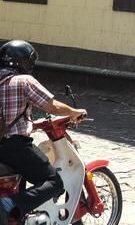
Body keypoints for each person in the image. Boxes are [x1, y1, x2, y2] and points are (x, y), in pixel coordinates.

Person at [0, 40, 88, 222]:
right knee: (54, 182)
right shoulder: (24, 81)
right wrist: (73, 112)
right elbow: (52, 106)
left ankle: (17, 217)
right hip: (15, 145)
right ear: (24, 62)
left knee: (23, 176)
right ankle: (8, 205)